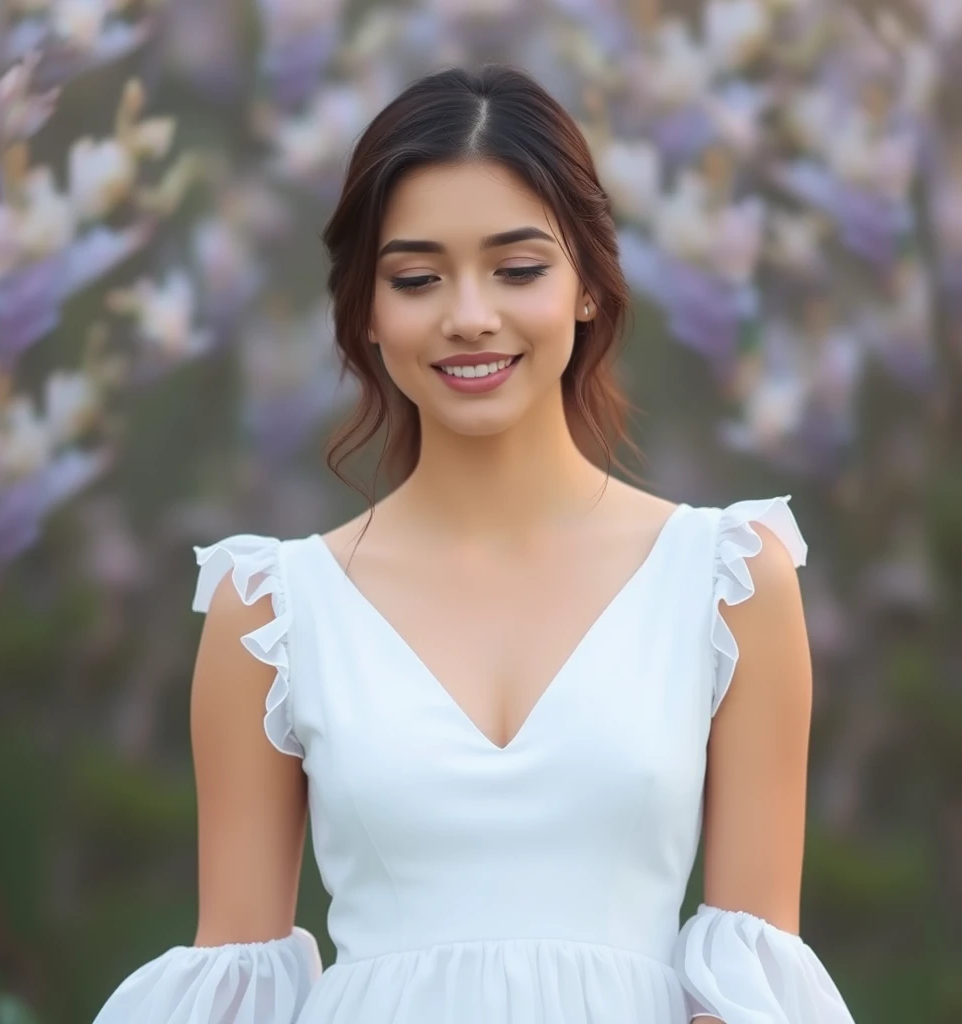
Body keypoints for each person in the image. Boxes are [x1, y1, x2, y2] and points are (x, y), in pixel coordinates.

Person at [92, 65, 857, 1023]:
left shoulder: (730, 580)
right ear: (367, 311)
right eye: (416, 278)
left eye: (519, 269)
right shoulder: (272, 611)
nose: (468, 315)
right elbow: (231, 980)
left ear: (587, 284)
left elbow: (750, 979)